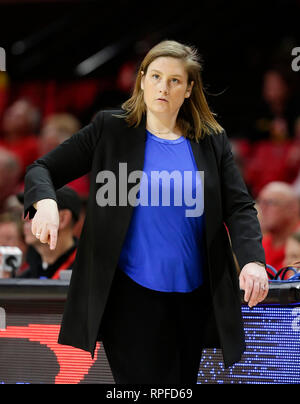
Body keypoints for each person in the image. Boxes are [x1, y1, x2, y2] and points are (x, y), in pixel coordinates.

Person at [23, 40, 268, 384]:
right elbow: (41, 169)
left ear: (189, 89)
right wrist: (45, 202)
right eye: (155, 76)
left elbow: (239, 206)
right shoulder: (111, 129)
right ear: (141, 80)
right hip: (130, 297)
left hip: (193, 296)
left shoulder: (211, 140)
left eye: (174, 80)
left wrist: (254, 260)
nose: (163, 88)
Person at [18, 186, 81, 279]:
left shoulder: (89, 273)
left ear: (62, 219)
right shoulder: (24, 275)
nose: (24, 218)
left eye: (34, 210)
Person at [257, 181, 300, 273]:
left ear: (292, 208)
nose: (262, 209)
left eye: (269, 202)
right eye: (260, 202)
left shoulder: (297, 241)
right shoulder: (261, 246)